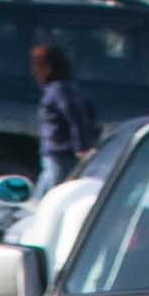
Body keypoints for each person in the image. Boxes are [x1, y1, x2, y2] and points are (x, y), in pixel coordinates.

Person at [33, 39, 95, 191]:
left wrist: (81, 147)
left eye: (38, 66)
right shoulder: (61, 89)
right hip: (54, 154)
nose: (34, 71)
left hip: (60, 154)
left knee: (51, 193)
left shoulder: (60, 90)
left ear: (48, 68)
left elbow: (76, 118)